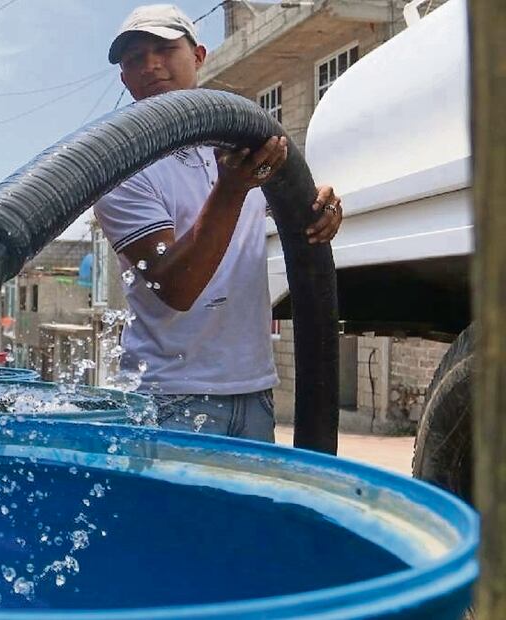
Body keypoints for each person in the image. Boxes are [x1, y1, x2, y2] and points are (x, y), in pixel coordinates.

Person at [92, 4, 344, 442]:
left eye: (164, 49)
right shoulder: (120, 170)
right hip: (168, 399)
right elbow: (176, 286)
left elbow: (294, 213)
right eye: (134, 59)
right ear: (124, 78)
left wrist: (321, 210)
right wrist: (230, 190)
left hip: (255, 392)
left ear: (199, 56)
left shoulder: (243, 145)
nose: (150, 65)